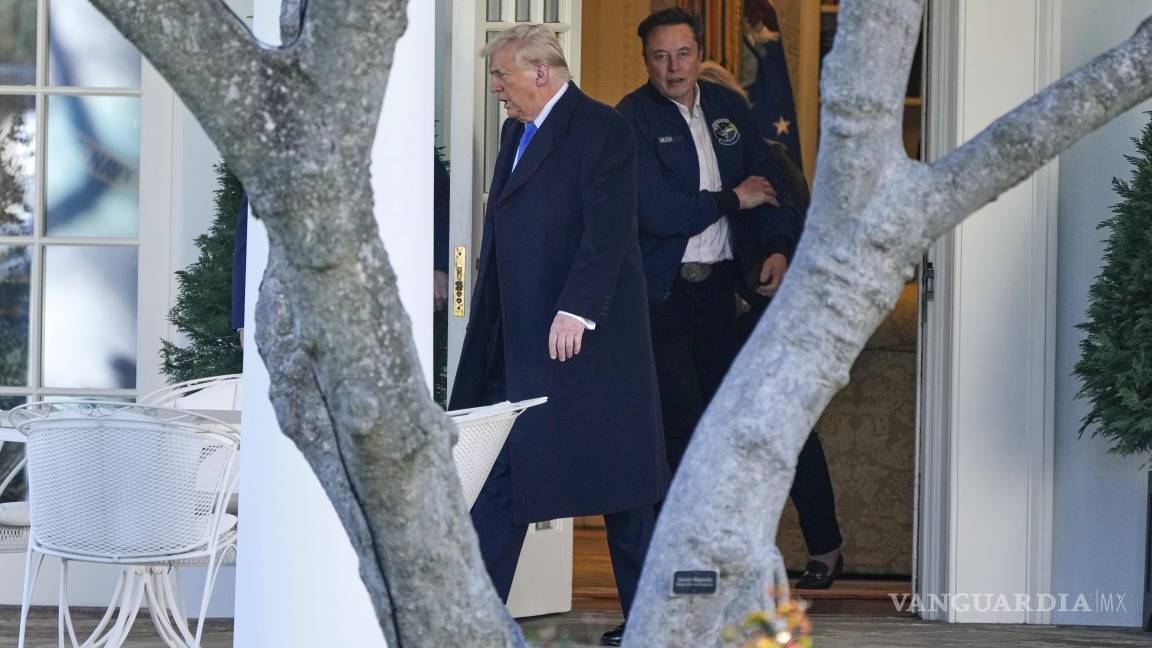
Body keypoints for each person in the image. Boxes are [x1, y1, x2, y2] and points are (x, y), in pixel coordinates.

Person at [448, 24, 667, 647]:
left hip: (585, 343)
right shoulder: (513, 132)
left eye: (502, 74)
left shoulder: (603, 128)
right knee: (503, 476)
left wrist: (577, 309)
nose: (496, 87)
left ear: (541, 72)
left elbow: (609, 228)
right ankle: (467, 622)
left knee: (626, 491)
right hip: (518, 335)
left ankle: (651, 625)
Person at [616, 8, 801, 484]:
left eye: (683, 54)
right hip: (664, 296)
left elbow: (772, 186)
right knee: (677, 428)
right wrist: (733, 198)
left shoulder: (728, 107)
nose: (673, 67)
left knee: (723, 422)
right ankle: (675, 531)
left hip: (723, 290)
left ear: (700, 54)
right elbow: (660, 213)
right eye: (661, 56)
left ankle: (715, 527)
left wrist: (778, 248)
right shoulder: (631, 117)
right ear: (646, 59)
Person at [697, 58, 844, 591]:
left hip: (773, 317)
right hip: (711, 316)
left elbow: (803, 233)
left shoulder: (770, 158)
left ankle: (825, 546)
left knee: (788, 434)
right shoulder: (684, 164)